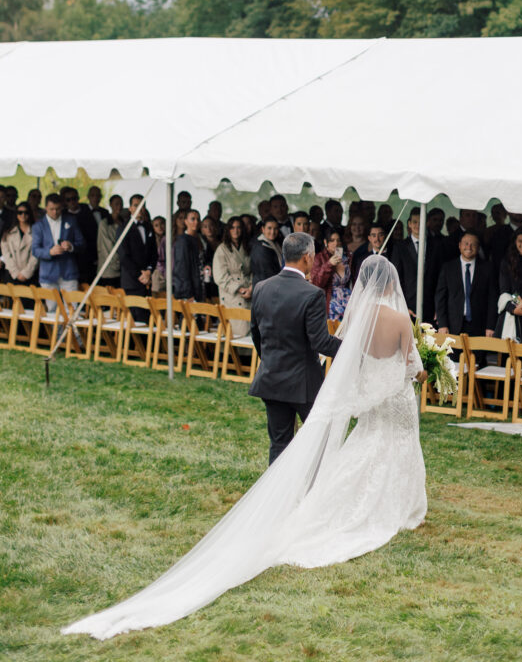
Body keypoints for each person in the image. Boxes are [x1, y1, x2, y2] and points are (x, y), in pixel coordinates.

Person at [62, 254, 427, 641]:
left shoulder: (354, 318)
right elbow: (409, 364)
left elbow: (346, 355)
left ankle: (330, 499)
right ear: (392, 283)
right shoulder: (401, 319)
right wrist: (427, 368)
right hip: (394, 397)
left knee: (361, 447)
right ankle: (394, 505)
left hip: (346, 391)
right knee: (393, 447)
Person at [251, 231, 343, 463]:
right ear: (307, 257)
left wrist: (270, 359)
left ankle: (277, 496)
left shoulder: (261, 287)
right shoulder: (312, 294)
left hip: (271, 377)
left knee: (279, 443)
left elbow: (256, 333)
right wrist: (351, 348)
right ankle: (313, 490)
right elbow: (320, 342)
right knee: (321, 438)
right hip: (303, 383)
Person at [435, 230, 496, 336]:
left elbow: (492, 299)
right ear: (459, 245)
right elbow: (440, 297)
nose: (469, 247)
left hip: (480, 327)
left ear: (478, 247)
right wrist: (442, 324)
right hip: (452, 325)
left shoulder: (488, 269)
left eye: (473, 244)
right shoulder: (448, 268)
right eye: (466, 243)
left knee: (478, 353)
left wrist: (490, 326)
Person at [392, 207, 442, 322]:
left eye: (421, 222)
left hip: (431, 307)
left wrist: (439, 308)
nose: (417, 225)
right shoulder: (400, 247)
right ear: (409, 224)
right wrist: (402, 305)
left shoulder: (436, 246)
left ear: (427, 222)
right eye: (414, 222)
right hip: (407, 307)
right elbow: (396, 279)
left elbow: (440, 279)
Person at [32, 193, 84, 300]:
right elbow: (35, 250)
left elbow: (82, 243)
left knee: (71, 309)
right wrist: (49, 252)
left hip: (69, 272)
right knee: (51, 312)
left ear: (62, 207)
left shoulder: (71, 221)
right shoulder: (38, 226)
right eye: (51, 209)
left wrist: (71, 247)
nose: (55, 212)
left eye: (58, 209)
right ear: (46, 207)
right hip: (48, 274)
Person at [213, 216, 252, 333]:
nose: (236, 230)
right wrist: (240, 289)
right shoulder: (222, 249)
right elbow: (220, 276)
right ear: (228, 230)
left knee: (249, 330)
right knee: (236, 331)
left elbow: (253, 270)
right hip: (232, 295)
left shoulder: (247, 247)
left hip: (248, 293)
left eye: (238, 227)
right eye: (232, 228)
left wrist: (251, 288)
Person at [117, 195, 157, 302]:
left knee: (147, 316)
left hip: (147, 281)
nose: (139, 208)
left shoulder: (149, 227)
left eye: (142, 205)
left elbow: (154, 253)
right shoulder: (123, 228)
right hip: (132, 281)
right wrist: (140, 275)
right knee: (135, 316)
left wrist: (149, 271)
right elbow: (123, 255)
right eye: (136, 205)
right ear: (130, 208)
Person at [311, 230, 352, 322]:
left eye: (338, 240)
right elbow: (316, 283)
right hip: (330, 302)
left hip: (348, 300)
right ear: (326, 242)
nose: (336, 243)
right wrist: (329, 264)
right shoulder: (319, 258)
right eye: (332, 240)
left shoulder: (347, 257)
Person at [61, 186, 98, 284]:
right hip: (69, 260)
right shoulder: (62, 215)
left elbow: (94, 234)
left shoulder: (86, 210)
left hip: (87, 258)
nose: (72, 202)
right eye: (68, 200)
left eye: (74, 198)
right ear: (64, 202)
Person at [0, 201, 38, 284]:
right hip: (12, 274)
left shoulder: (37, 232)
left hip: (30, 275)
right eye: (20, 212)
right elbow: (6, 254)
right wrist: (16, 273)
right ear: (16, 214)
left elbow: (36, 255)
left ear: (30, 214)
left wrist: (26, 273)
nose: (23, 215)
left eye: (26, 212)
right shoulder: (8, 232)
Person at [173, 210, 203, 301]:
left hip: (200, 286)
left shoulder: (200, 239)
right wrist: (188, 293)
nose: (196, 222)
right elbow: (181, 268)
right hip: (188, 291)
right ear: (185, 221)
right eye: (192, 219)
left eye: (198, 219)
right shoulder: (182, 241)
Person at [96, 195, 124, 287]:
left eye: (121, 204)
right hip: (108, 270)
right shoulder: (104, 223)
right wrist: (119, 262)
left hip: (123, 270)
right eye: (116, 204)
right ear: (110, 205)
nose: (119, 207)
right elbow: (106, 248)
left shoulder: (124, 223)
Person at [250, 216, 283, 286]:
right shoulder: (260, 247)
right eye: (269, 228)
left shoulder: (276, 243)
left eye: (275, 228)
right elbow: (267, 272)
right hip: (266, 286)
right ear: (263, 229)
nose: (273, 232)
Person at [150, 216, 166, 295]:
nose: (160, 227)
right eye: (156, 225)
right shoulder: (151, 240)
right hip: (157, 272)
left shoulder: (170, 238)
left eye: (162, 224)